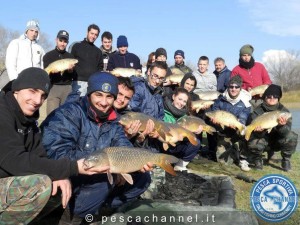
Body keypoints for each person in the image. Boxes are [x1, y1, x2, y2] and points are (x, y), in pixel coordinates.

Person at [0, 67, 109, 224]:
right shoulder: (3, 112)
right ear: (17, 89)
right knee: (40, 185)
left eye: (43, 95)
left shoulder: (29, 121)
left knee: (59, 184)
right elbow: (13, 160)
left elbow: (39, 155)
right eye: (32, 91)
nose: (38, 100)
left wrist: (60, 175)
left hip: (8, 181)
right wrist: (72, 168)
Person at [41, 72, 151, 223]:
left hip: (96, 171)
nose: (104, 102)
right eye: (99, 95)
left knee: (142, 178)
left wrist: (129, 164)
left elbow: (123, 146)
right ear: (89, 93)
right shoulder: (70, 112)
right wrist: (101, 162)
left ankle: (97, 209)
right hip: (65, 172)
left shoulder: (115, 121)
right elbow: (55, 150)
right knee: (102, 180)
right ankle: (70, 218)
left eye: (109, 96)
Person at [247, 84, 298, 171]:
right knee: (253, 139)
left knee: (292, 136)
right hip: (263, 140)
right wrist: (259, 131)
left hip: (278, 141)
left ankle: (286, 160)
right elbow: (253, 131)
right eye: (269, 96)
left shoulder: (284, 111)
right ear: (265, 97)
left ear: (278, 98)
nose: (272, 98)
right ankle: (257, 160)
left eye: (275, 96)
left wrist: (281, 126)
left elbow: (286, 133)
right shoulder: (257, 111)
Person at [209, 75, 252, 171]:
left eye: (236, 87)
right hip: (224, 133)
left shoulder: (245, 102)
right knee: (223, 162)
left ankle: (242, 157)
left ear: (240, 88)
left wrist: (239, 124)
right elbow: (214, 111)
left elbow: (243, 118)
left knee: (245, 132)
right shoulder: (220, 99)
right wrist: (215, 122)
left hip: (237, 132)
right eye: (231, 86)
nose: (233, 89)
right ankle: (232, 149)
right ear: (228, 87)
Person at [163, 87, 201, 171]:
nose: (181, 103)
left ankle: (180, 165)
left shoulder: (185, 117)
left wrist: (194, 132)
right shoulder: (162, 110)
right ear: (173, 97)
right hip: (163, 144)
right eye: (180, 99)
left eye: (184, 101)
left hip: (177, 144)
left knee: (196, 142)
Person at [43, 30, 76, 115]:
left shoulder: (70, 56)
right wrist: (51, 72)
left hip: (67, 88)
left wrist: (71, 71)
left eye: (65, 41)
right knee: (52, 114)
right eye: (61, 41)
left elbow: (74, 75)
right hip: (54, 87)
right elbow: (46, 74)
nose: (62, 43)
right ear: (56, 40)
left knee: (65, 115)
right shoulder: (48, 55)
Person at [70, 24, 103, 98]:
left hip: (92, 84)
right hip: (77, 83)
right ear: (87, 32)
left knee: (88, 108)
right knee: (75, 106)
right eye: (92, 33)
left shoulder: (98, 51)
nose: (93, 36)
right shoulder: (76, 46)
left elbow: (100, 68)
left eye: (96, 35)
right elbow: (70, 62)